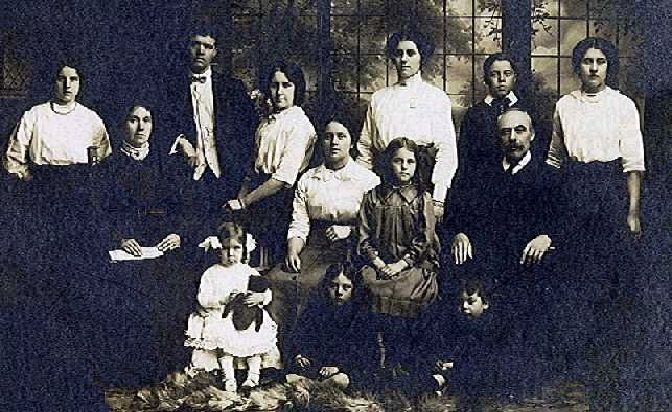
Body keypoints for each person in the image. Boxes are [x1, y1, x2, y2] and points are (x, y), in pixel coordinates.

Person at [546, 37, 645, 409]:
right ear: (577, 66)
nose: (593, 68)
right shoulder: (564, 106)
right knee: (574, 280)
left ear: (608, 66)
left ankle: (606, 367)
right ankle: (575, 370)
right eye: (586, 61)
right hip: (573, 193)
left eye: (600, 61)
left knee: (608, 282)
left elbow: (633, 163)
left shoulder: (623, 105)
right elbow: (555, 159)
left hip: (609, 194)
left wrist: (631, 212)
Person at [265, 116, 379, 336]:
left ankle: (314, 352)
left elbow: (377, 227)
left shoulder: (368, 181)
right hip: (313, 246)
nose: (334, 142)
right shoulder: (309, 179)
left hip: (353, 249)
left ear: (352, 141)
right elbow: (299, 222)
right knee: (276, 280)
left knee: (315, 284)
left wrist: (350, 230)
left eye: (341, 136)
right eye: (328, 137)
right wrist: (293, 249)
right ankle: (280, 353)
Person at [357, 137, 440, 376]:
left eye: (410, 162)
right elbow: (363, 237)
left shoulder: (422, 198)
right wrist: (380, 263)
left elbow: (424, 239)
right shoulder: (372, 197)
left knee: (406, 291)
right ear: (388, 163)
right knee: (369, 286)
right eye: (398, 161)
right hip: (379, 264)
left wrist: (401, 264)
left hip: (413, 264)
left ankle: (406, 364)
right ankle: (377, 365)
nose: (404, 166)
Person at [356, 30, 458, 221]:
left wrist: (438, 199)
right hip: (383, 188)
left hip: (423, 188)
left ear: (422, 57)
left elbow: (447, 150)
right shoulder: (379, 99)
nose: (403, 59)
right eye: (398, 53)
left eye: (410, 53)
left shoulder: (436, 98)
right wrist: (365, 192)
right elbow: (365, 150)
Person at [166, 25, 258, 235]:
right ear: (187, 47)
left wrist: (239, 168)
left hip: (226, 176)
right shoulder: (170, 87)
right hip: (186, 177)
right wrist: (181, 141)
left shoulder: (232, 88)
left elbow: (249, 131)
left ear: (215, 52)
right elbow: (160, 125)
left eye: (207, 46)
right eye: (195, 44)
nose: (201, 51)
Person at [225, 61, 317, 268]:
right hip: (258, 194)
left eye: (287, 85)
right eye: (275, 85)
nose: (279, 92)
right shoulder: (267, 123)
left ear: (297, 89)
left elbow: (282, 179)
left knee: (269, 262)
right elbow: (254, 168)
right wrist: (240, 199)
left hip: (280, 201)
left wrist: (245, 202)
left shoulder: (299, 125)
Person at [185, 222, 280, 392]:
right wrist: (223, 299)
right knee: (224, 341)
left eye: (236, 248)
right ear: (218, 249)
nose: (231, 253)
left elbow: (267, 293)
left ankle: (253, 377)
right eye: (226, 248)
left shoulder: (248, 271)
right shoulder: (212, 273)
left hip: (246, 317)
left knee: (254, 344)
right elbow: (203, 299)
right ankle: (228, 378)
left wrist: (260, 297)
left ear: (244, 249)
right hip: (221, 315)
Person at [284, 263, 373, 390]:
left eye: (346, 287)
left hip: (344, 370)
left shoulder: (361, 316)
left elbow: (362, 352)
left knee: (340, 380)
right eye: (333, 286)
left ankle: (313, 387)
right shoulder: (315, 309)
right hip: (316, 366)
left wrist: (338, 367)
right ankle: (315, 386)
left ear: (354, 289)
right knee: (290, 377)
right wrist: (299, 355)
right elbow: (300, 336)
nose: (339, 292)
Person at [456, 53, 529, 181]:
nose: (501, 79)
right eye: (495, 74)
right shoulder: (474, 115)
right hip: (485, 183)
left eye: (507, 74)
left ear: (515, 77)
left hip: (524, 182)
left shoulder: (528, 110)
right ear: (486, 79)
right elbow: (466, 159)